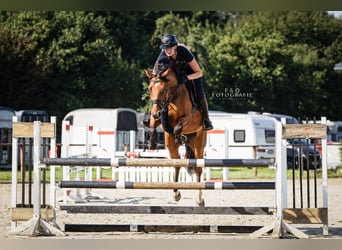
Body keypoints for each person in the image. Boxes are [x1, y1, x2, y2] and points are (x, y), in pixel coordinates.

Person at [153, 34, 213, 131]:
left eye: (169, 48)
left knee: (199, 93)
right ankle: (154, 114)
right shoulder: (162, 55)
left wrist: (187, 78)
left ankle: (206, 119)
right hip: (176, 76)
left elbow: (199, 73)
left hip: (191, 74)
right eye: (165, 48)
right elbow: (155, 72)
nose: (167, 50)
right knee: (160, 92)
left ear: (175, 46)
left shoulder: (184, 52)